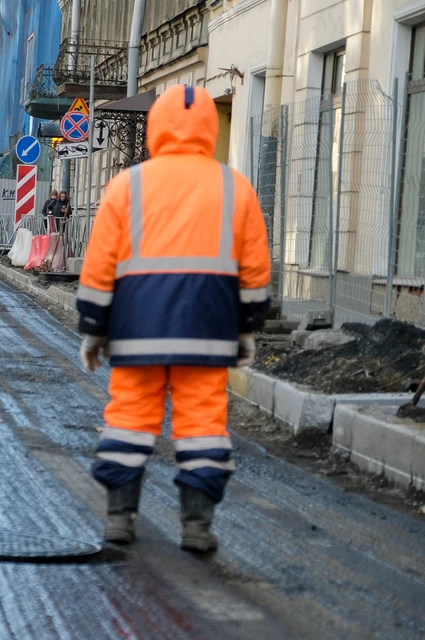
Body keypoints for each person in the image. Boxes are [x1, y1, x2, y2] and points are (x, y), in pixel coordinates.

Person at [76, 85, 271, 552]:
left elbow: (101, 264)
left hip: (136, 329)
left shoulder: (128, 184)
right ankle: (197, 527)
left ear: (156, 126)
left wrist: (92, 328)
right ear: (210, 127)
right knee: (203, 422)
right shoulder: (234, 186)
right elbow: (254, 269)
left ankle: (120, 519)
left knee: (129, 418)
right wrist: (247, 326)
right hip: (208, 330)